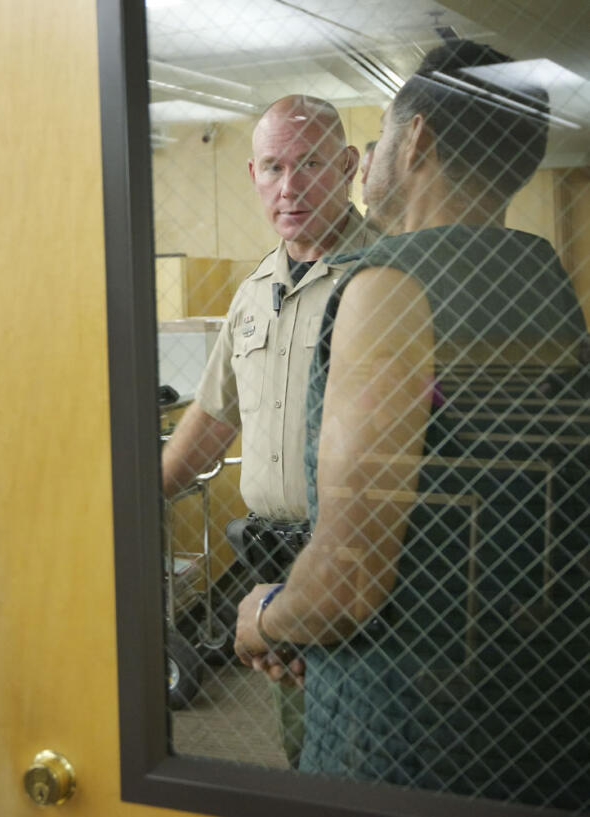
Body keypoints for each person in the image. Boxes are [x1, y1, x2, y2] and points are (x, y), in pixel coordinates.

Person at [234, 40, 590, 808]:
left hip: (404, 741)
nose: (369, 164)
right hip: (532, 715)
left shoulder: (392, 287)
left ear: (417, 139)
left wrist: (265, 615)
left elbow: (349, 578)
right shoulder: (544, 278)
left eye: (383, 137)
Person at [160, 94, 378, 767]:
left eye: (310, 163)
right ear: (252, 175)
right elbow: (215, 414)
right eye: (274, 166)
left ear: (345, 166)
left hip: (359, 555)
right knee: (302, 742)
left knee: (362, 743)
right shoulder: (254, 291)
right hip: (275, 560)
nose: (290, 187)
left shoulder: (385, 277)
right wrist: (138, 500)